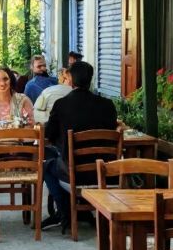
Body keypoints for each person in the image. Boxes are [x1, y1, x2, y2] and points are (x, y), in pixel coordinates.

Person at [42, 60, 118, 230]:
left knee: (47, 165)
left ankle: (64, 213)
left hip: (76, 175)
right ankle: (82, 211)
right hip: (107, 174)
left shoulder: (61, 105)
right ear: (90, 80)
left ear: (70, 79)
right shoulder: (108, 105)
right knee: (60, 161)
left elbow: (49, 134)